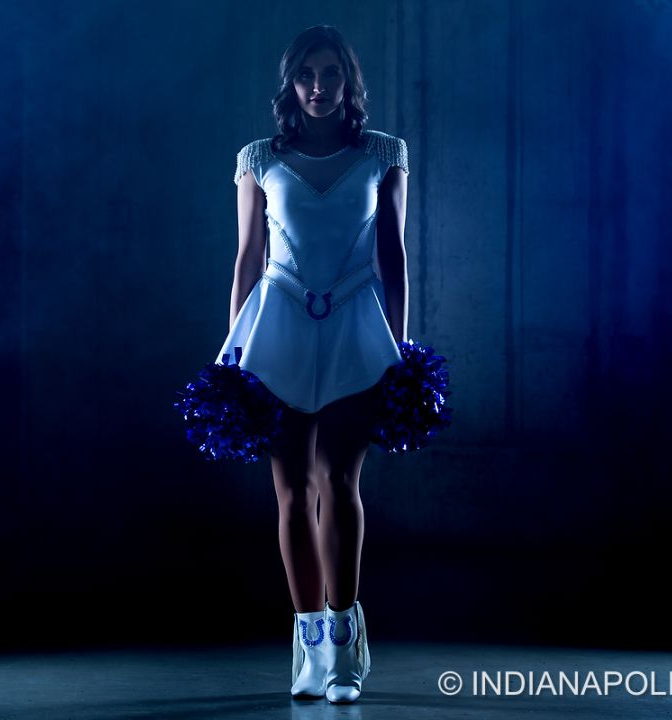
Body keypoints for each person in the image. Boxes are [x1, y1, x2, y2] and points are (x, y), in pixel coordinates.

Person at [216, 24, 409, 704]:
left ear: (348, 83)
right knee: (292, 488)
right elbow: (246, 257)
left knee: (339, 480)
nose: (319, 87)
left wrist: (400, 350)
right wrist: (231, 351)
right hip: (277, 326)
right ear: (291, 85)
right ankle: (311, 645)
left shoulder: (384, 153)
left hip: (358, 328)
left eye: (331, 75)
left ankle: (348, 644)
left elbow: (394, 256)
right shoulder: (258, 157)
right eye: (307, 76)